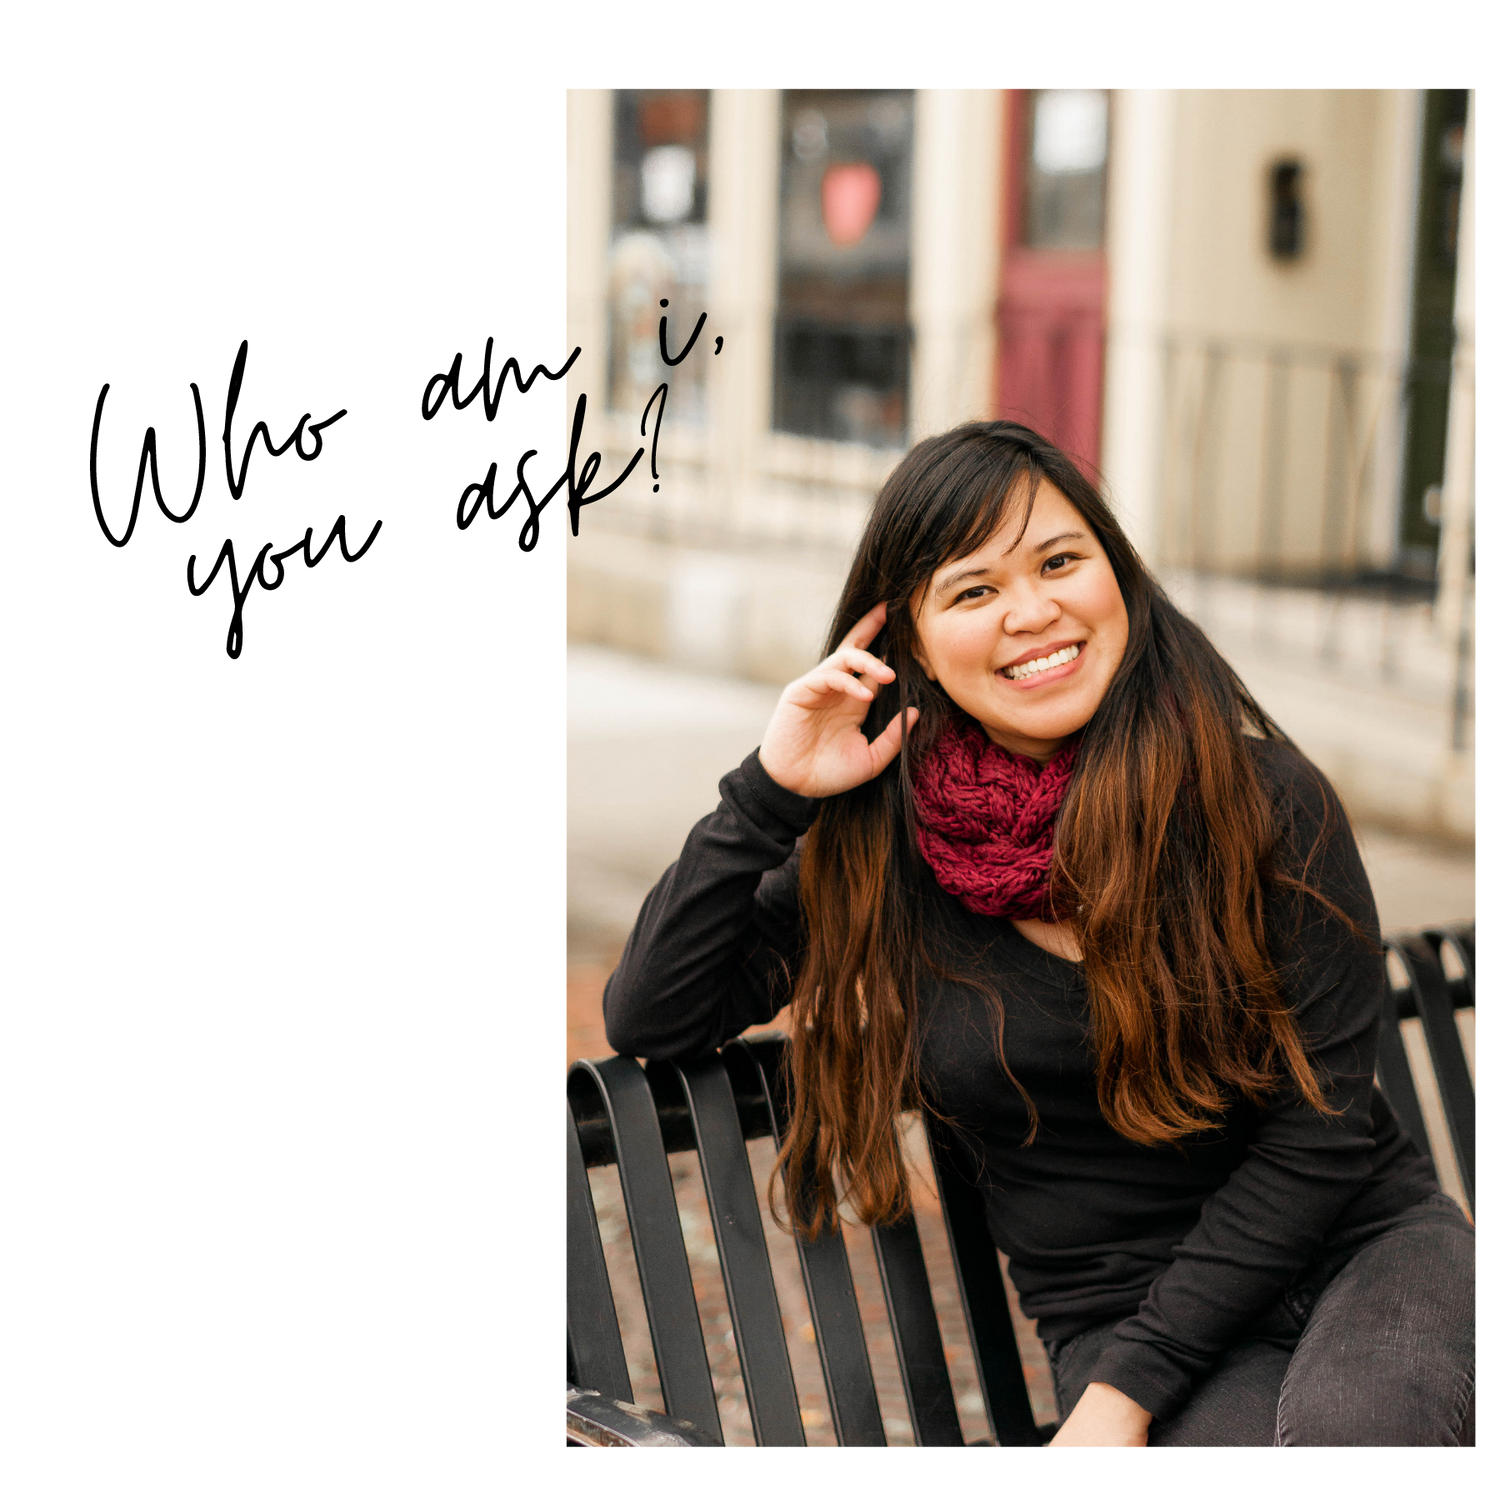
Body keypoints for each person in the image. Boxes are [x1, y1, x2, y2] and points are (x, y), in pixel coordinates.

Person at [602, 421, 1477, 1449]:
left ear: (1119, 577)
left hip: (1362, 1257)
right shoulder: (883, 853)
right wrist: (770, 790)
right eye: (974, 590)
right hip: (1119, 1313)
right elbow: (655, 1013)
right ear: (909, 644)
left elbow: (1319, 1137)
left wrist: (1121, 1397)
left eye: (1060, 562)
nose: (1032, 611)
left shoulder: (1259, 804)